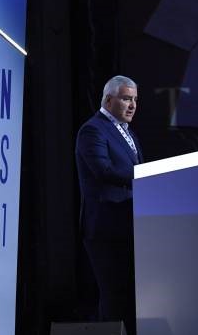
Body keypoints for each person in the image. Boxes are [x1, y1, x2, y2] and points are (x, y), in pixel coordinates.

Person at [75, 75, 142, 335]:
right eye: (126, 99)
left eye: (134, 99)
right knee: (114, 296)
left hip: (129, 225)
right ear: (108, 100)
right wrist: (144, 176)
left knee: (129, 297)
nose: (132, 105)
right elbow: (102, 171)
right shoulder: (93, 130)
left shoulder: (128, 133)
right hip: (106, 228)